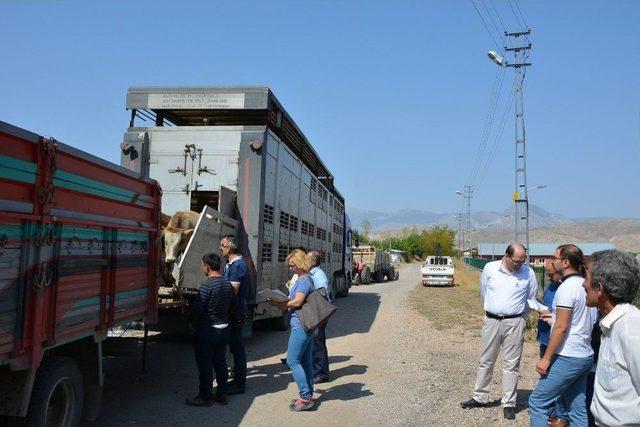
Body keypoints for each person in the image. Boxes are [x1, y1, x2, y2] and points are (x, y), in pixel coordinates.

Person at [460, 243, 538, 420]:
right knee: (486, 360)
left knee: (512, 364)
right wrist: (493, 309)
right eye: (516, 261)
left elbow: (531, 299)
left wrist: (519, 317)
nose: (519, 264)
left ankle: (509, 403)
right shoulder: (490, 268)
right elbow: (484, 292)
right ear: (506, 256)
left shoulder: (529, 273)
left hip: (515, 322)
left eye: (522, 261)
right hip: (492, 320)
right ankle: (480, 397)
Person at [529, 244, 597, 427]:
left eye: (555, 258)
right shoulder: (585, 286)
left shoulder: (567, 288)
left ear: (565, 262)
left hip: (568, 355)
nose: (552, 261)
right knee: (577, 408)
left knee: (538, 401)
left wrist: (546, 359)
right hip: (584, 355)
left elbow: (561, 327)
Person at [583, 249, 640, 426]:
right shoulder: (613, 324)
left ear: (599, 288)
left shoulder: (631, 330)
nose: (583, 284)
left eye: (586, 278)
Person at [185, 253, 236, 407]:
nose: (202, 268)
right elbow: (233, 307)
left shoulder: (207, 285)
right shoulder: (227, 284)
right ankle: (222, 394)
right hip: (224, 330)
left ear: (207, 266)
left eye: (203, 265)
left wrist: (190, 321)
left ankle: (204, 396)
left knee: (205, 364)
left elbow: (197, 309)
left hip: (208, 332)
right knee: (220, 363)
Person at [270, 249, 316, 412]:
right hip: (305, 325)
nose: (291, 269)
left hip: (301, 325)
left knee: (292, 361)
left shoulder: (304, 280)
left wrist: (280, 304)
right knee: (305, 361)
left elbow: (297, 302)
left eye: (292, 266)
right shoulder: (304, 278)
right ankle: (308, 395)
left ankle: (305, 397)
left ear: (299, 264)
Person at [536, 260, 569, 427]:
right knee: (546, 376)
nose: (549, 277)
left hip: (558, 342)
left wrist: (552, 318)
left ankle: (561, 415)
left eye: (551, 274)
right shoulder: (550, 286)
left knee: (559, 379)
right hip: (545, 337)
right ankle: (550, 410)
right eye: (548, 274)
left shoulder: (568, 289)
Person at [220, 235, 249, 395]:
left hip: (235, 313)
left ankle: (239, 383)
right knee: (234, 346)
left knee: (236, 347)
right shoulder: (231, 265)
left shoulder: (237, 266)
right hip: (233, 312)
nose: (221, 248)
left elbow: (232, 291)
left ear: (229, 248)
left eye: (222, 245)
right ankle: (237, 380)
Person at [307, 250, 331, 384]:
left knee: (318, 343)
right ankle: (316, 370)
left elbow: (323, 292)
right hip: (314, 312)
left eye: (307, 259)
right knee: (314, 342)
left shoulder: (319, 274)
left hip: (318, 312)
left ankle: (322, 374)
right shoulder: (312, 274)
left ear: (314, 262)